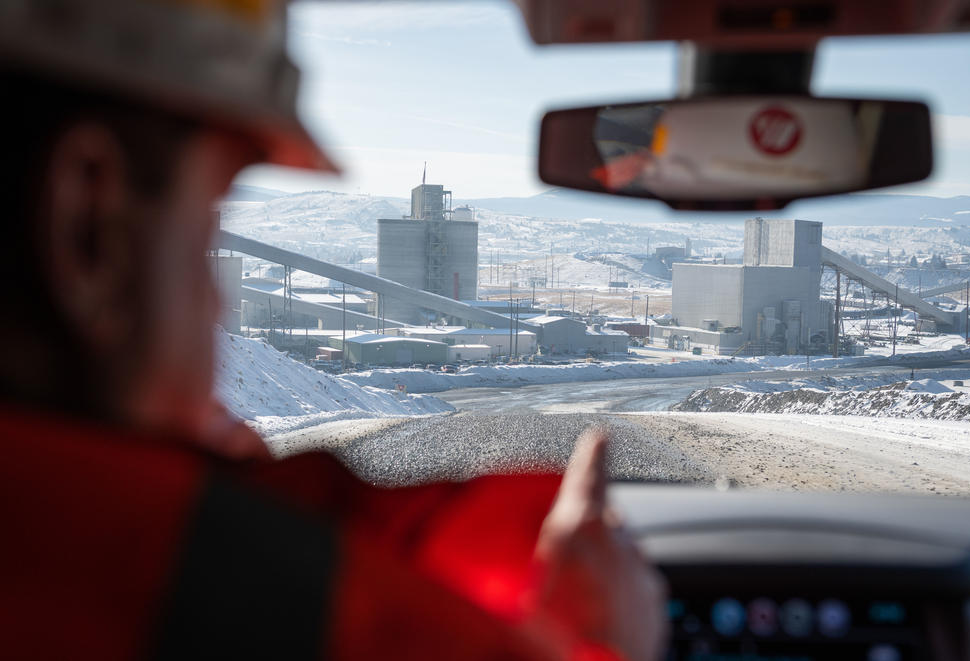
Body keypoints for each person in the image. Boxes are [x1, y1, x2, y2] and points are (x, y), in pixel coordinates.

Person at [0, 1, 666, 659]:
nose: (216, 306)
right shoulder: (232, 599)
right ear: (89, 229)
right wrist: (598, 637)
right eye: (209, 220)